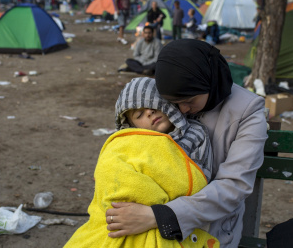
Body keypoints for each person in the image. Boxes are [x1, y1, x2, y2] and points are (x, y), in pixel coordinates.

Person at [105, 39, 268, 248]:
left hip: (210, 228)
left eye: (189, 101)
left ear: (208, 82)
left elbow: (234, 186)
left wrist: (159, 216)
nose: (181, 110)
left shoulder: (248, 112)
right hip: (147, 216)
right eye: (174, 102)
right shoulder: (170, 93)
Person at [64, 77, 217, 247]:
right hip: (127, 215)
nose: (149, 113)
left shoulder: (196, 135)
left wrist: (156, 211)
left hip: (172, 216)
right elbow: (113, 174)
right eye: (139, 114)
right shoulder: (127, 145)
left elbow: (200, 180)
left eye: (154, 105)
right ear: (131, 125)